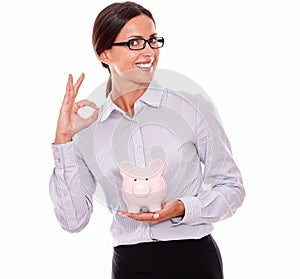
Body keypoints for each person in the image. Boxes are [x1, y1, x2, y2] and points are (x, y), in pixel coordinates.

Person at [49, 1, 245, 278]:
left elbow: (231, 188)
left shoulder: (192, 107)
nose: (149, 52)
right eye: (135, 43)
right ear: (105, 53)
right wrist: (64, 140)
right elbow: (72, 221)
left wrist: (182, 208)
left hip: (193, 259)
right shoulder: (88, 130)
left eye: (153, 40)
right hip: (131, 265)